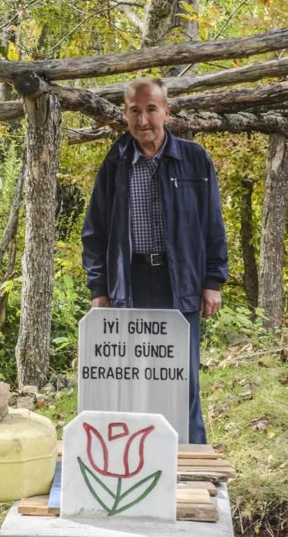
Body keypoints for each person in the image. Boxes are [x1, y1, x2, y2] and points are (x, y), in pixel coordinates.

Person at [81, 77, 228, 444]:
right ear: (125, 114)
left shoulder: (195, 159)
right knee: (132, 378)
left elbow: (212, 223)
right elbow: (95, 231)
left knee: (184, 379)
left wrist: (213, 281)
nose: (143, 119)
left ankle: (191, 460)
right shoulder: (115, 162)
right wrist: (100, 289)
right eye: (134, 111)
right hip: (129, 284)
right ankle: (138, 458)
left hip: (182, 284)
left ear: (166, 111)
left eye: (151, 109)